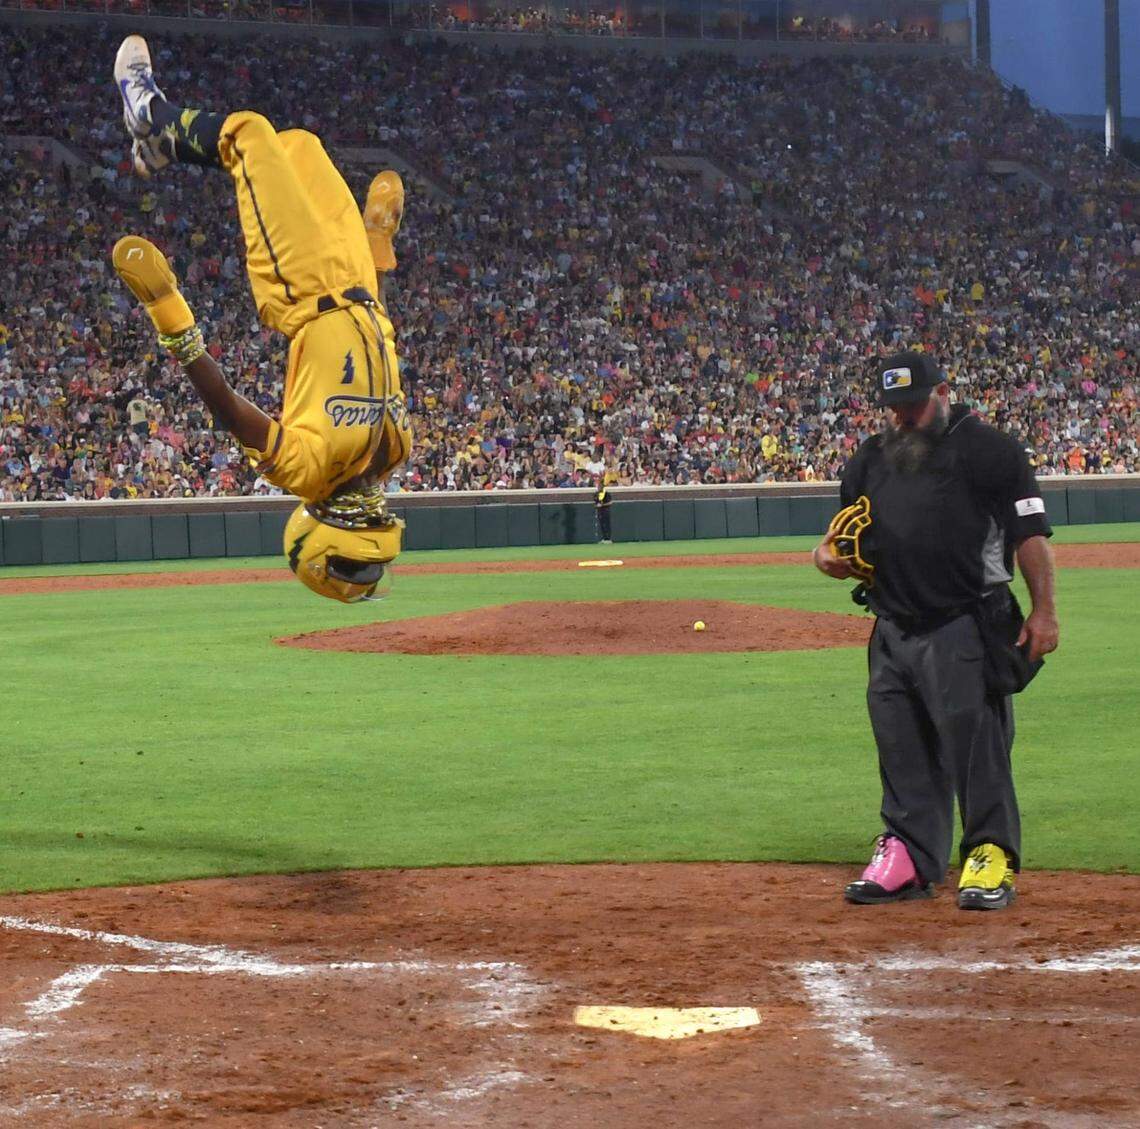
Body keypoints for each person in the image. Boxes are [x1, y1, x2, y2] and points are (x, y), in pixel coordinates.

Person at [111, 35, 412, 603]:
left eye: (359, 551)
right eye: (377, 549)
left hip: (303, 288)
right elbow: (380, 341)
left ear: (323, 538)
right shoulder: (397, 450)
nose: (374, 533)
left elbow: (228, 407)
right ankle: (157, 150)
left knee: (248, 136)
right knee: (298, 144)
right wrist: (376, 242)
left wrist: (170, 315)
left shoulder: (310, 472)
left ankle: (147, 112)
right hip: (356, 281)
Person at [813, 351, 1059, 911]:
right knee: (900, 746)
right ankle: (908, 853)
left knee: (977, 746)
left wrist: (1044, 611)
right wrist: (824, 555)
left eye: (914, 406)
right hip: (892, 626)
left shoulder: (989, 450)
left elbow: (1030, 536)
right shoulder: (871, 458)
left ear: (944, 393)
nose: (903, 418)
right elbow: (841, 533)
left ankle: (989, 852)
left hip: (965, 623)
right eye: (894, 409)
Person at [593, 479, 613, 543]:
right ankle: (604, 538)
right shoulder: (596, 494)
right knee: (601, 525)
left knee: (607, 524)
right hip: (599, 511)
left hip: (606, 511)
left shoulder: (606, 493)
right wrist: (597, 505)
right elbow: (595, 503)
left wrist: (603, 505)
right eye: (598, 486)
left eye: (600, 486)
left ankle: (608, 539)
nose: (599, 487)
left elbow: (610, 502)